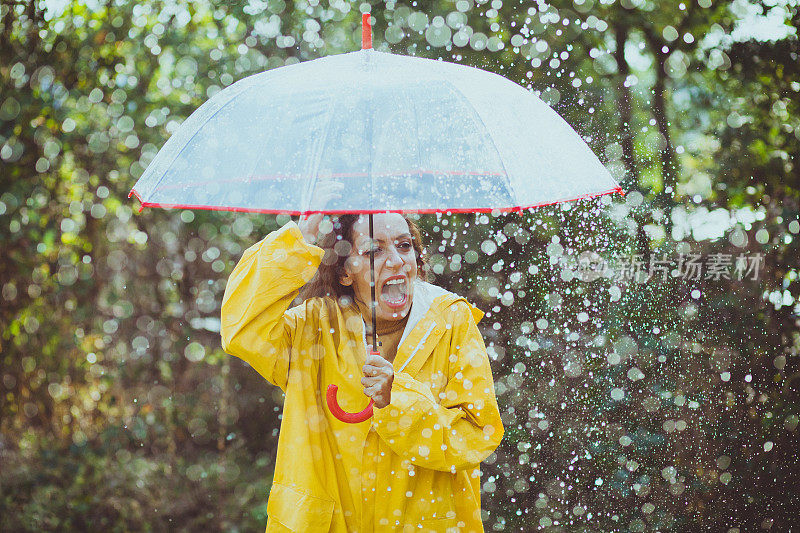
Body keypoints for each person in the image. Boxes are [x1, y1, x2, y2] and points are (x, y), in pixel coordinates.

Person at [220, 212, 504, 532]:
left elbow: (478, 435)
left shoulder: (453, 323)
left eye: (404, 245)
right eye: (373, 251)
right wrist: (302, 236)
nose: (396, 260)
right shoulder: (314, 328)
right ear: (344, 272)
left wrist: (395, 398)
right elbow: (242, 329)